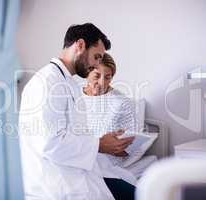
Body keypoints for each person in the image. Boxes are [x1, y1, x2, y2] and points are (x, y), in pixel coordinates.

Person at [18, 23, 135, 200]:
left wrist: (101, 144)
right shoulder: (47, 82)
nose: (96, 64)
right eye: (96, 57)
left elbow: (72, 133)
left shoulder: (66, 82)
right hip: (55, 186)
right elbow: (50, 143)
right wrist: (99, 144)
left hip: (73, 175)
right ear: (80, 45)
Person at [82, 52, 138, 200]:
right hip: (77, 160)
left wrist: (117, 147)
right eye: (97, 76)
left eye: (108, 77)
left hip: (107, 166)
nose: (102, 82)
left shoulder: (120, 102)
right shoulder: (74, 98)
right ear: (87, 73)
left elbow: (130, 148)